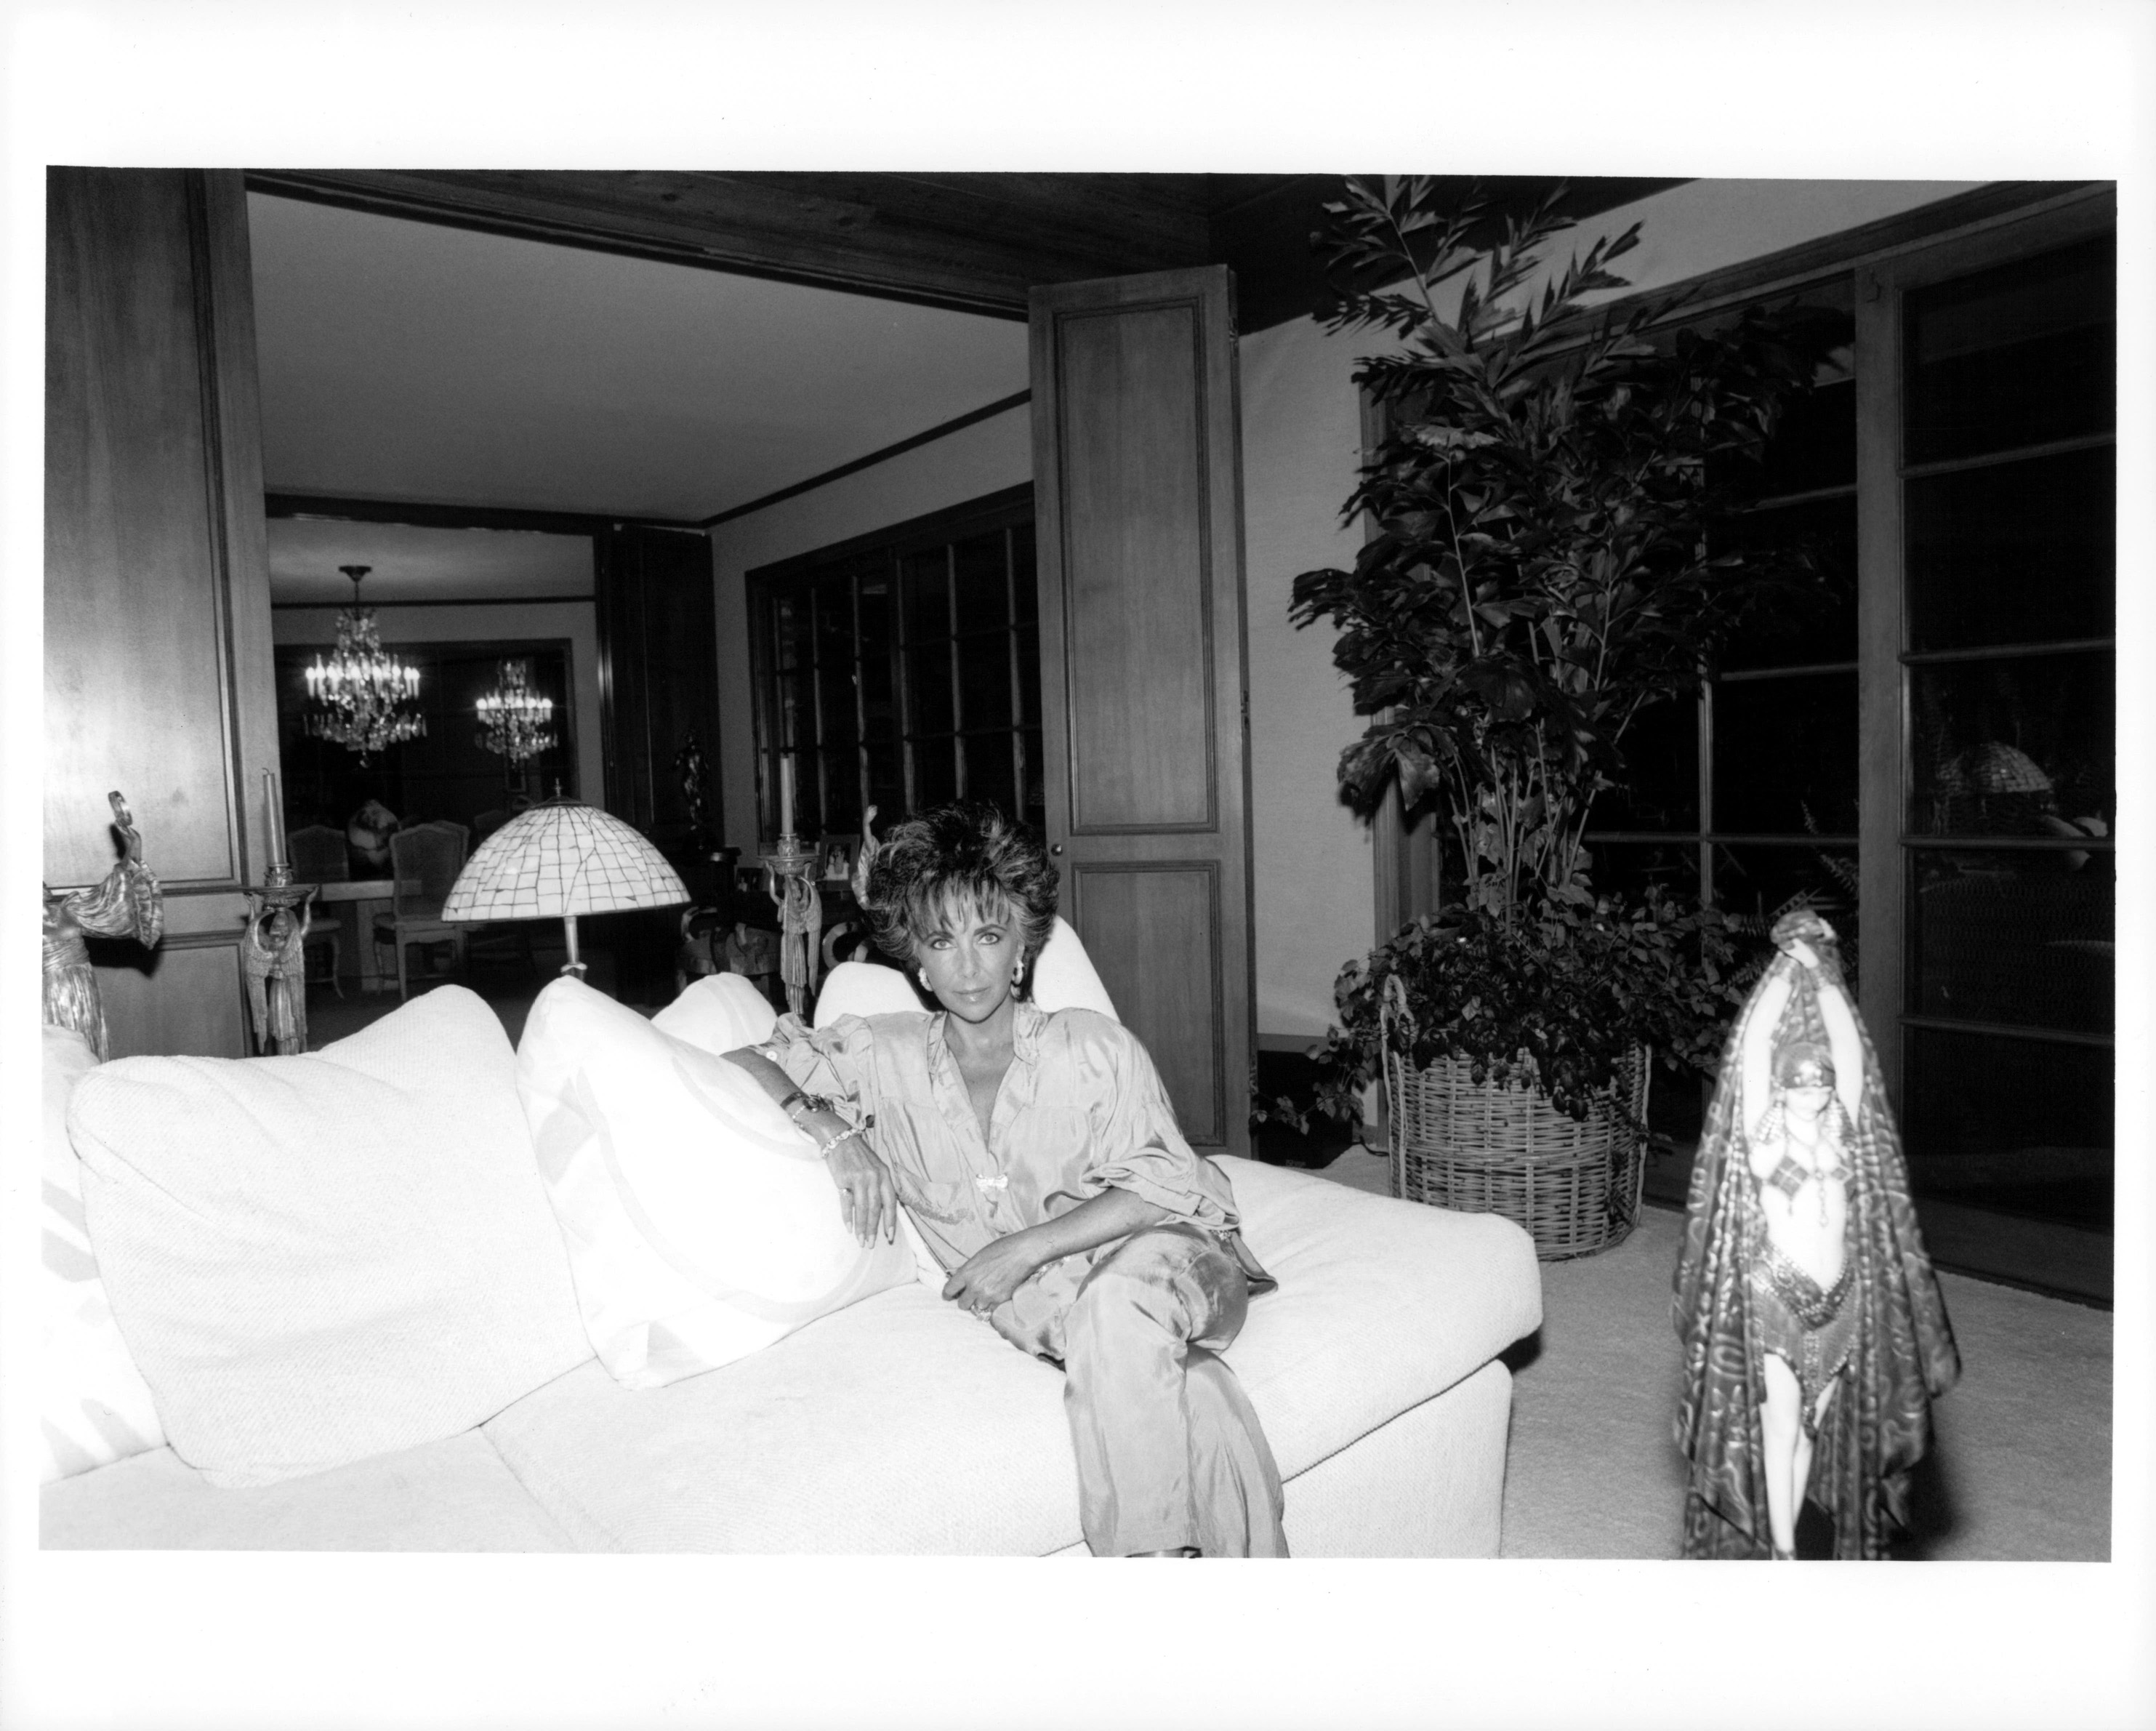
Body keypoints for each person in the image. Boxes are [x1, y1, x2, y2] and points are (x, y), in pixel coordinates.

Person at [723, 801, 1286, 1557]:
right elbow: (739, 1060)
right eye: (941, 940)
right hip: (1063, 1318)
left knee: (1116, 1302)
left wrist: (1023, 1248)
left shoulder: (1090, 1046)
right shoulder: (879, 1055)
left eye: (988, 936)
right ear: (915, 959)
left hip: (1176, 1261)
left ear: (1021, 944)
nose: (966, 965)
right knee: (1200, 1397)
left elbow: (1165, 1183)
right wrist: (829, 1130)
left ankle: (1146, 1574)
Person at [1673, 909, 1960, 1559]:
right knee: (1779, 1428)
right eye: (1801, 1083)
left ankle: (1790, 1543)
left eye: (1821, 1084)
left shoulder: (1845, 1134)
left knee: (1809, 1432)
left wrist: (1824, 974)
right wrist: (1784, 968)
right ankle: (1782, 1552)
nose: (1814, 1092)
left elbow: (1853, 1055)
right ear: (1782, 1088)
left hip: (1843, 1304)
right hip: (1775, 1295)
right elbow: (1749, 1053)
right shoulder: (1762, 1141)